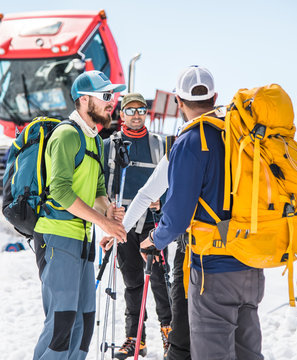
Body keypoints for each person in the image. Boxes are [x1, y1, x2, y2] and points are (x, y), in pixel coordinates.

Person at [140, 66, 265, 360]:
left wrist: (153, 240)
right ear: (215, 98)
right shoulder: (239, 135)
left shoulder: (190, 141)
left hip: (213, 268)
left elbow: (177, 216)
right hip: (251, 262)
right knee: (248, 353)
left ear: (178, 101)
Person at [32, 70, 127, 360]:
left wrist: (107, 208)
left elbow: (97, 190)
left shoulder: (95, 139)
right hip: (58, 237)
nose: (112, 102)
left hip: (83, 239)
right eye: (106, 96)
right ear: (84, 100)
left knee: (83, 323)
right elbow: (60, 191)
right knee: (61, 324)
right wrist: (103, 222)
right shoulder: (66, 135)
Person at [102, 93, 172, 359]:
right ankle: (135, 337)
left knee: (160, 281)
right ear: (122, 115)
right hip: (123, 224)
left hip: (153, 221)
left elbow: (174, 181)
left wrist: (161, 201)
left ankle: (169, 332)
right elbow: (98, 183)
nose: (136, 115)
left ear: (147, 113)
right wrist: (106, 208)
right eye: (130, 111)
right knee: (132, 281)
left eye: (141, 109)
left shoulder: (160, 144)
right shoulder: (108, 145)